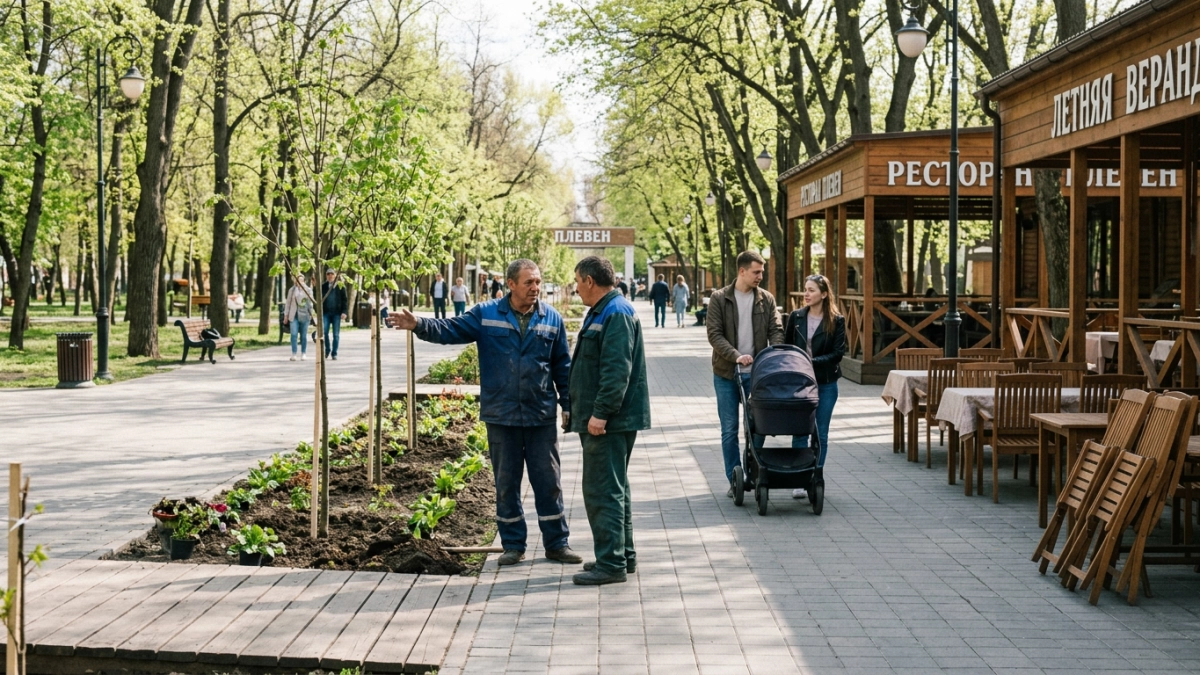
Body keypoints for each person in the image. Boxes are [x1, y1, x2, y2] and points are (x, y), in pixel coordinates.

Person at [388, 259, 581, 567]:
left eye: (538, 282)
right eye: (529, 282)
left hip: (540, 415)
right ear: (511, 284)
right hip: (501, 415)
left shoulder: (552, 319)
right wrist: (419, 324)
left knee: (549, 481)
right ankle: (513, 545)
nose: (536, 288)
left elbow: (563, 366)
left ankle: (557, 543)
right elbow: (450, 328)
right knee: (506, 482)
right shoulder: (486, 314)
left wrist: (568, 405)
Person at [568, 256, 650, 586]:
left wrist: (600, 413)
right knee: (615, 489)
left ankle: (611, 563)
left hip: (609, 421)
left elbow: (616, 371)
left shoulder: (615, 313)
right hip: (612, 419)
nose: (575, 288)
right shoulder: (609, 309)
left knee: (602, 490)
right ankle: (621, 555)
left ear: (589, 280)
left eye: (577, 281)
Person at [706, 251, 784, 497]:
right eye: (756, 272)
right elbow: (714, 334)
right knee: (729, 428)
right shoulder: (719, 298)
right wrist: (736, 355)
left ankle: (751, 469)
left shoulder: (766, 299)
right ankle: (735, 477)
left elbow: (776, 329)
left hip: (758, 374)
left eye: (762, 272)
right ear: (742, 271)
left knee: (757, 426)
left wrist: (776, 357)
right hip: (727, 373)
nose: (761, 276)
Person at [782, 274, 845, 500]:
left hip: (826, 382)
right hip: (799, 383)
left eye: (811, 290)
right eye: (805, 289)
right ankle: (799, 479)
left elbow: (838, 353)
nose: (806, 294)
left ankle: (814, 476)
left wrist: (811, 362)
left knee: (821, 433)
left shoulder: (836, 321)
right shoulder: (796, 317)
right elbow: (787, 346)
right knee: (800, 430)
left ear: (824, 294)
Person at [284, 275, 315, 361]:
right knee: (293, 334)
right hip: (294, 315)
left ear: (304, 281)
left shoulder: (308, 290)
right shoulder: (292, 290)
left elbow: (310, 303)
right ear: (295, 281)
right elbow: (288, 303)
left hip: (305, 315)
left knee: (303, 335)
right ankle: (294, 353)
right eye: (297, 280)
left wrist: (311, 314)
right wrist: (286, 315)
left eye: (301, 280)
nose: (299, 282)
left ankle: (303, 353)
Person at [321, 270, 348, 360]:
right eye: (328, 274)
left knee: (336, 334)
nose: (330, 276)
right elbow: (319, 300)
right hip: (326, 313)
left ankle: (334, 353)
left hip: (337, 313)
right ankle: (327, 349)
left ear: (335, 275)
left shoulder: (340, 286)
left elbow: (345, 300)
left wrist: (344, 312)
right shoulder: (323, 286)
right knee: (325, 332)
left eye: (332, 274)